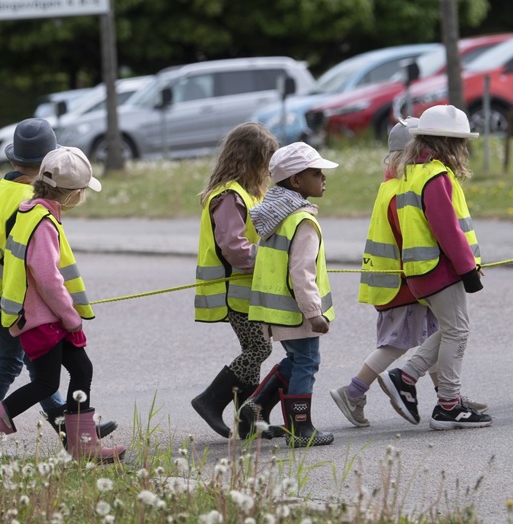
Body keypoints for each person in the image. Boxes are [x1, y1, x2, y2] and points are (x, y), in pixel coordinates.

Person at [0, 147, 125, 462]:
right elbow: (48, 279)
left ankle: (81, 443)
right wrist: (71, 317)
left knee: (79, 369)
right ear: (72, 194)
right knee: (46, 382)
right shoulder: (43, 222)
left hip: (40, 316)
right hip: (44, 320)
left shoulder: (28, 209)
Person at [336, 120, 488, 428]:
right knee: (410, 340)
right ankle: (437, 397)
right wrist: (466, 267)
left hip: (412, 275)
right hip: (416, 276)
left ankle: (436, 391)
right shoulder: (426, 178)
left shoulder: (400, 182)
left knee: (443, 331)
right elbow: (441, 230)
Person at [376, 105, 493, 430]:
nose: (464, 149)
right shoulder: (436, 176)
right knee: (458, 331)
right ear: (447, 143)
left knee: (449, 329)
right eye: (461, 142)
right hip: (439, 269)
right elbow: (447, 229)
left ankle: (406, 375)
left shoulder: (412, 173)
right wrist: (467, 269)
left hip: (421, 270)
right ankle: (448, 405)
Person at [245, 142, 339, 447]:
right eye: (316, 173)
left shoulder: (275, 216)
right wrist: (314, 312)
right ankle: (300, 428)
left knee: (296, 359)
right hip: (298, 311)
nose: (324, 178)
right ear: (296, 181)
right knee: (307, 362)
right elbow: (302, 272)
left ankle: (255, 406)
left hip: (277, 309)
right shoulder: (303, 221)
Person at [190, 123, 277, 440]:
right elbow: (234, 249)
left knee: (254, 348)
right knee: (258, 348)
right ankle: (210, 400)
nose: (268, 170)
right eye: (265, 162)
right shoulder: (229, 196)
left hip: (246, 291)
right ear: (251, 160)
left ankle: (248, 420)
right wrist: (272, 261)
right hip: (232, 291)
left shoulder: (248, 194)